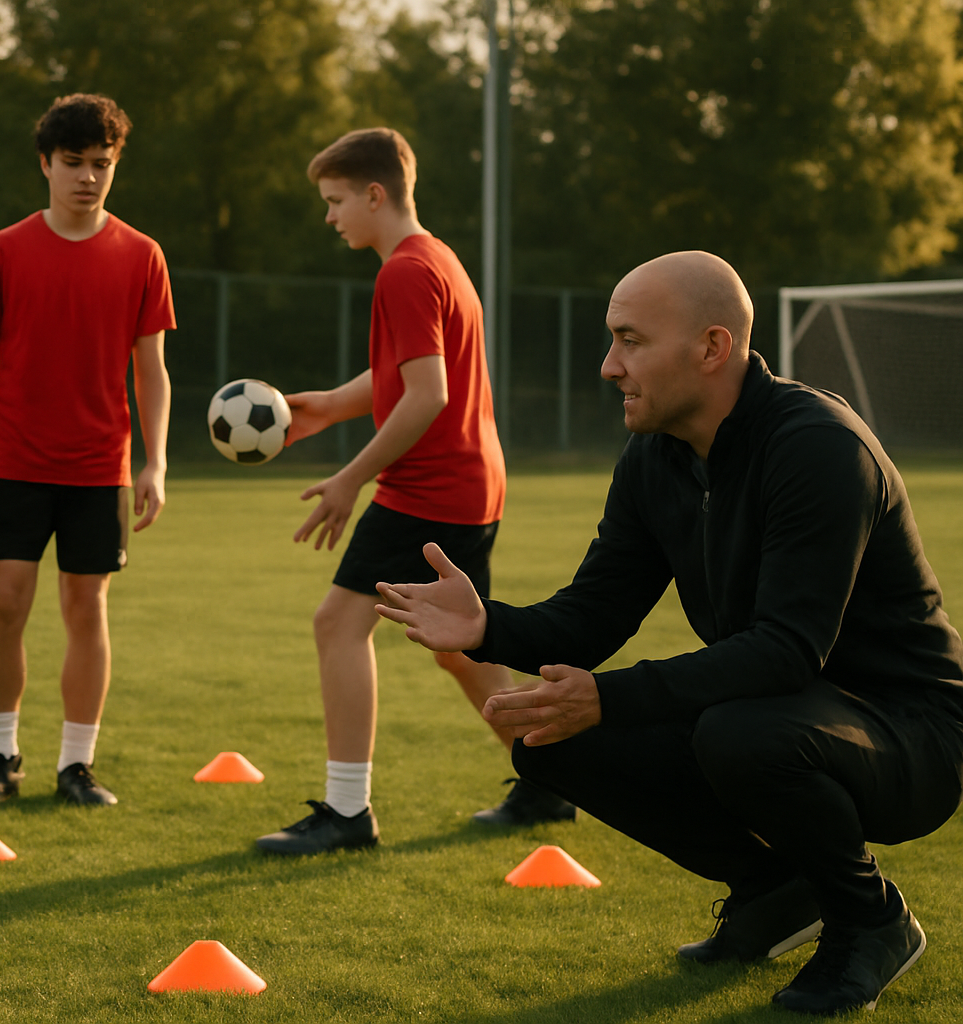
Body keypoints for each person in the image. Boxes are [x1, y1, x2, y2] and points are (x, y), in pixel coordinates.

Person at [376, 250, 963, 1014]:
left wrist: (611, 698)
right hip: (782, 711)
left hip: (911, 737)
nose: (608, 366)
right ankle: (774, 891)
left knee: (737, 731)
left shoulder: (819, 447)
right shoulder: (656, 458)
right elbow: (593, 616)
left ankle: (869, 918)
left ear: (713, 348)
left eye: (630, 340)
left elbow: (787, 650)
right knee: (552, 738)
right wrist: (488, 626)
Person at [254, 128, 563, 857]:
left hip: (430, 489)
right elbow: (405, 377)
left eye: (335, 202)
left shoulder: (403, 272)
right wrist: (328, 405)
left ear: (374, 193)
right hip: (471, 483)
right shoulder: (437, 259)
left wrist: (348, 478)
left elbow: (427, 394)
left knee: (338, 625)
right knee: (462, 651)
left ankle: (347, 813)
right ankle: (553, 778)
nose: (330, 218)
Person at [0, 93, 174, 810]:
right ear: (45, 164)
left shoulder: (142, 255)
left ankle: (77, 765)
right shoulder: (7, 249)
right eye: (72, 162)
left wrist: (156, 461)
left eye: (100, 164)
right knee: (6, 604)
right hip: (15, 462)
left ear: (115, 166)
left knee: (86, 608)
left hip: (98, 468)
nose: (87, 177)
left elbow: (151, 369)